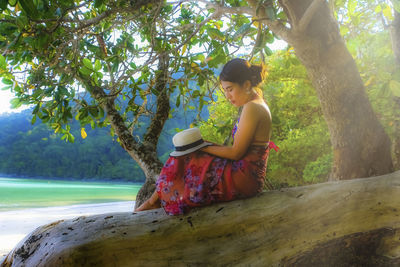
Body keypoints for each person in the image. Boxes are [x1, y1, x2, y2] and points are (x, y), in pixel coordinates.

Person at [135, 58, 278, 215]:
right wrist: (202, 145)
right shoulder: (255, 102)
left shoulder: (253, 107)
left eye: (230, 89)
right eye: (225, 90)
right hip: (247, 175)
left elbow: (236, 153)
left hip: (245, 178)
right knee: (190, 151)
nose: (227, 96)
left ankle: (154, 201)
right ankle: (155, 200)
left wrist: (203, 146)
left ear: (246, 85)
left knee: (193, 155)